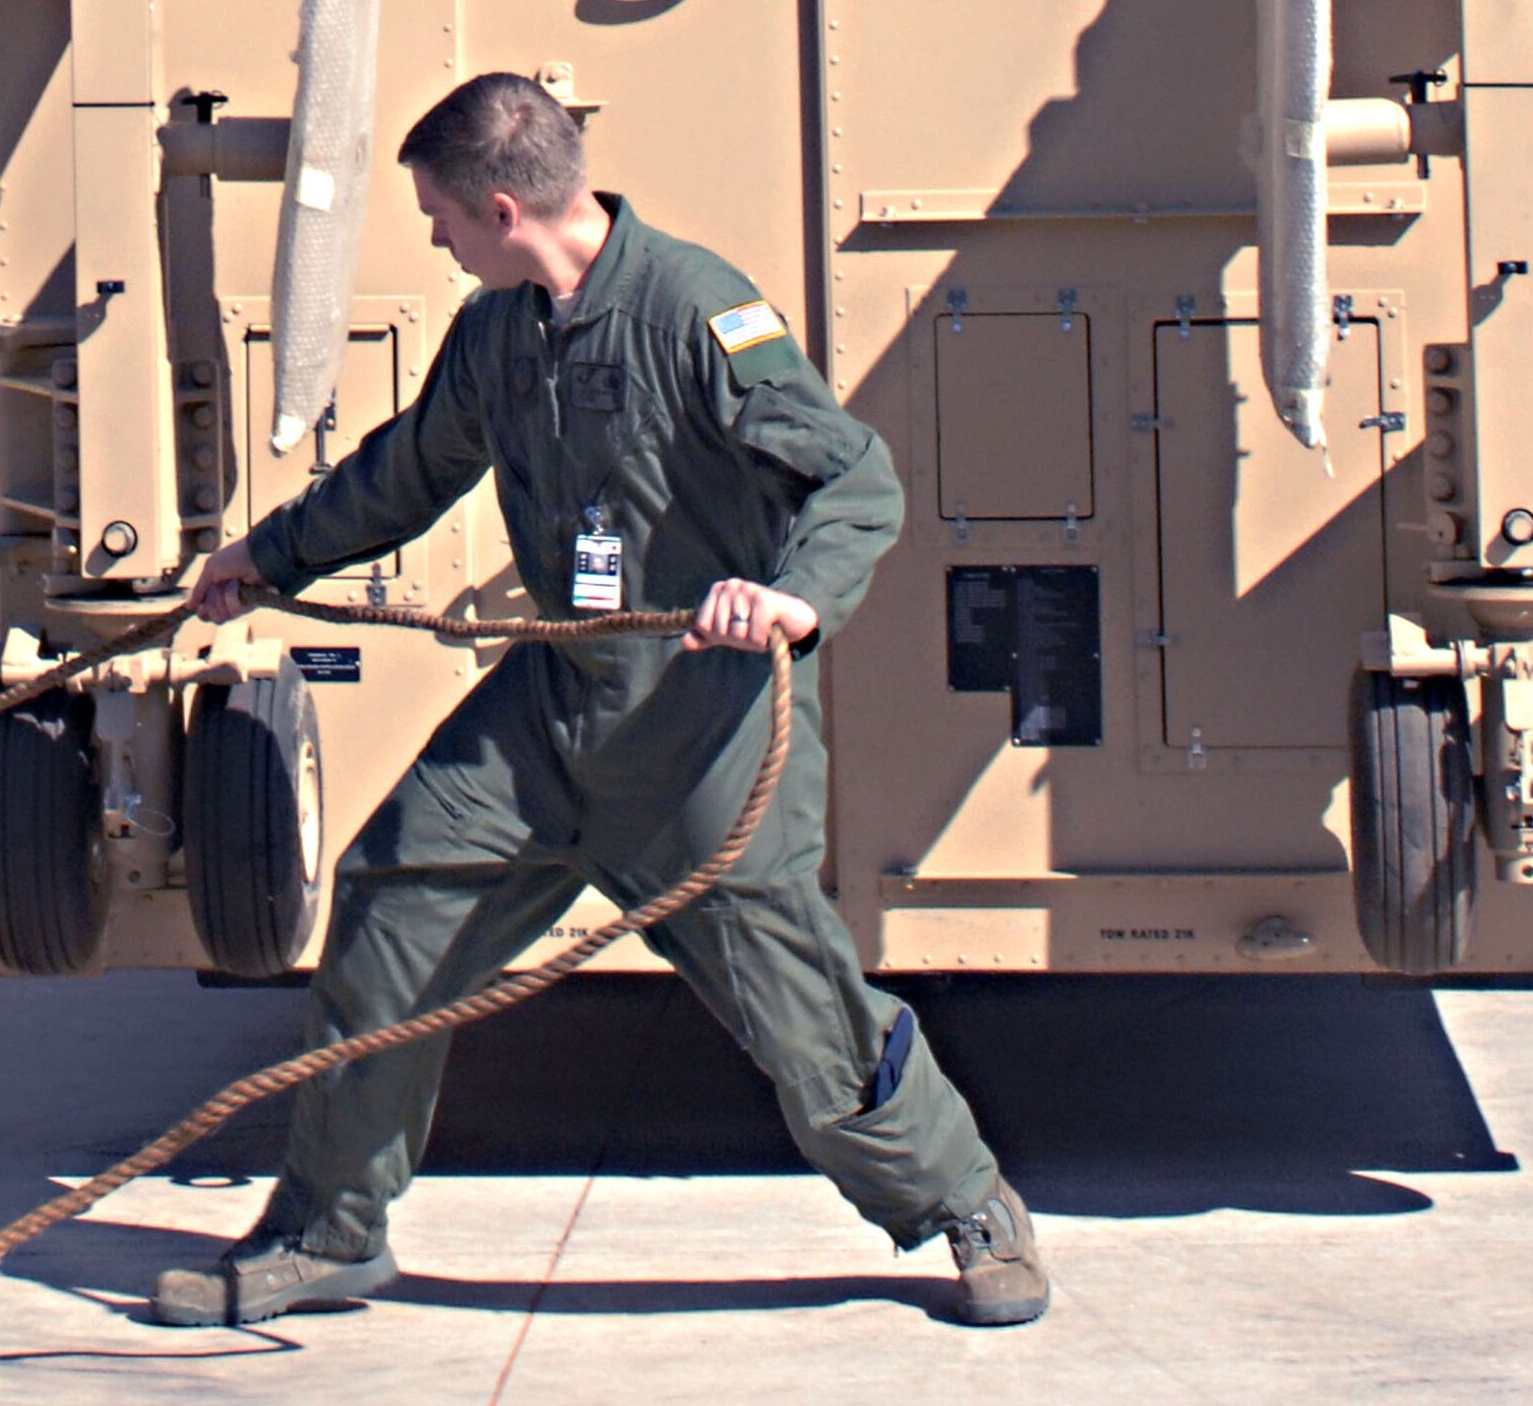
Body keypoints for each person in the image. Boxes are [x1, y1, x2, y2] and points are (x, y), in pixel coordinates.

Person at [153, 72, 1048, 1329]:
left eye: (441, 220)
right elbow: (411, 470)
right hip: (548, 717)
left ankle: (966, 1205)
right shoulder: (499, 329)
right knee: (391, 906)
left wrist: (790, 598)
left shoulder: (697, 311)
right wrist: (275, 553)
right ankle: (327, 1229)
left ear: (503, 209)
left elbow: (857, 481)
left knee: (807, 1022)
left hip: (701, 735)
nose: (434, 242)